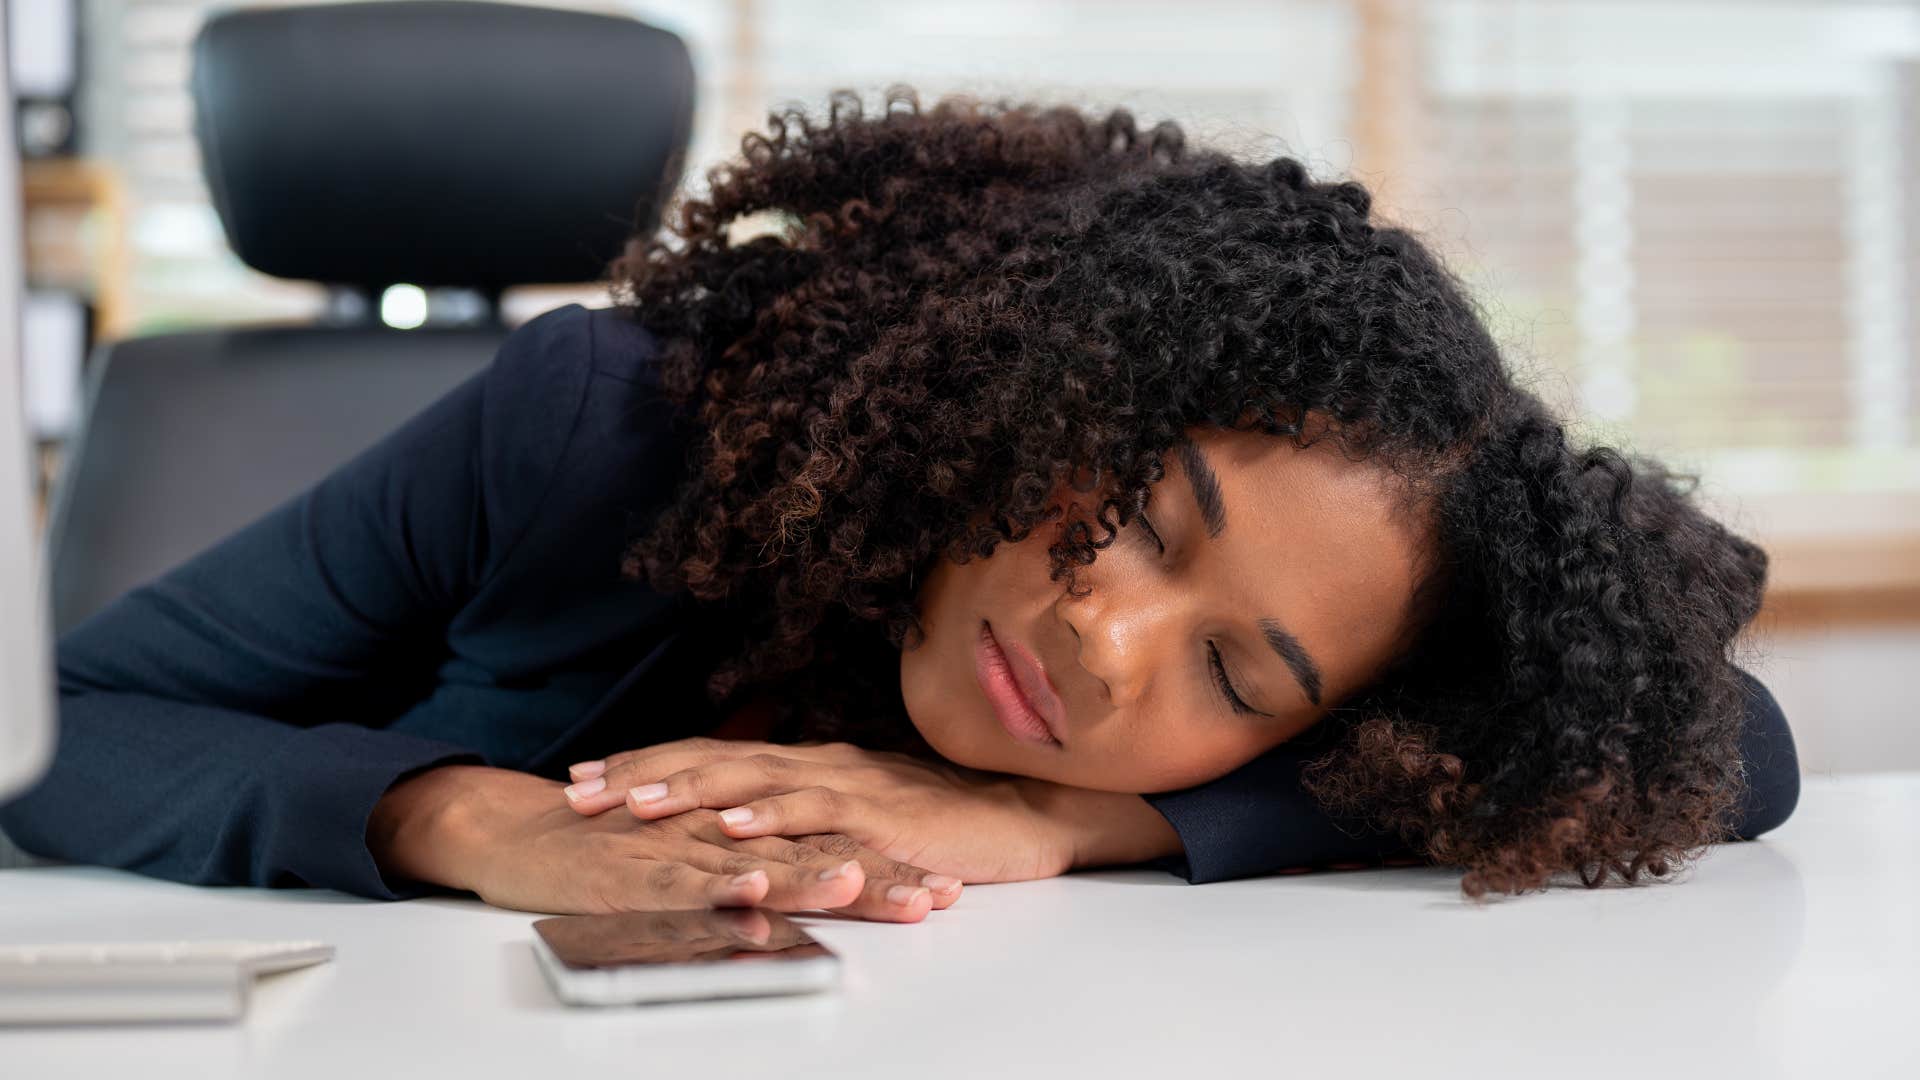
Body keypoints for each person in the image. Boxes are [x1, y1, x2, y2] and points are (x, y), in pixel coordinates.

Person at [0, 88, 1799, 923]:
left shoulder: (1171, 745)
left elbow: (1742, 745)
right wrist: (459, 819)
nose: (1104, 642)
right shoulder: (602, 425)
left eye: (1235, 679)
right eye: (1144, 517)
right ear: (1057, 385)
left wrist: (1058, 823)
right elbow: (54, 730)